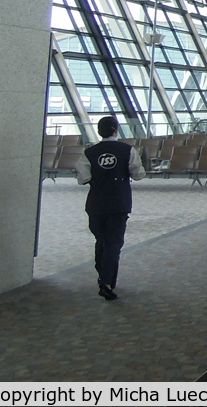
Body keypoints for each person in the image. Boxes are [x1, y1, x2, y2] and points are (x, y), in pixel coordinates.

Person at [77, 116, 145, 300]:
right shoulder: (127, 150)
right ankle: (106, 282)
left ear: (99, 131)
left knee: (102, 240)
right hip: (118, 202)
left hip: (96, 203)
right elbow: (138, 174)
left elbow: (82, 178)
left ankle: (103, 275)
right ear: (116, 130)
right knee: (114, 242)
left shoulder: (89, 153)